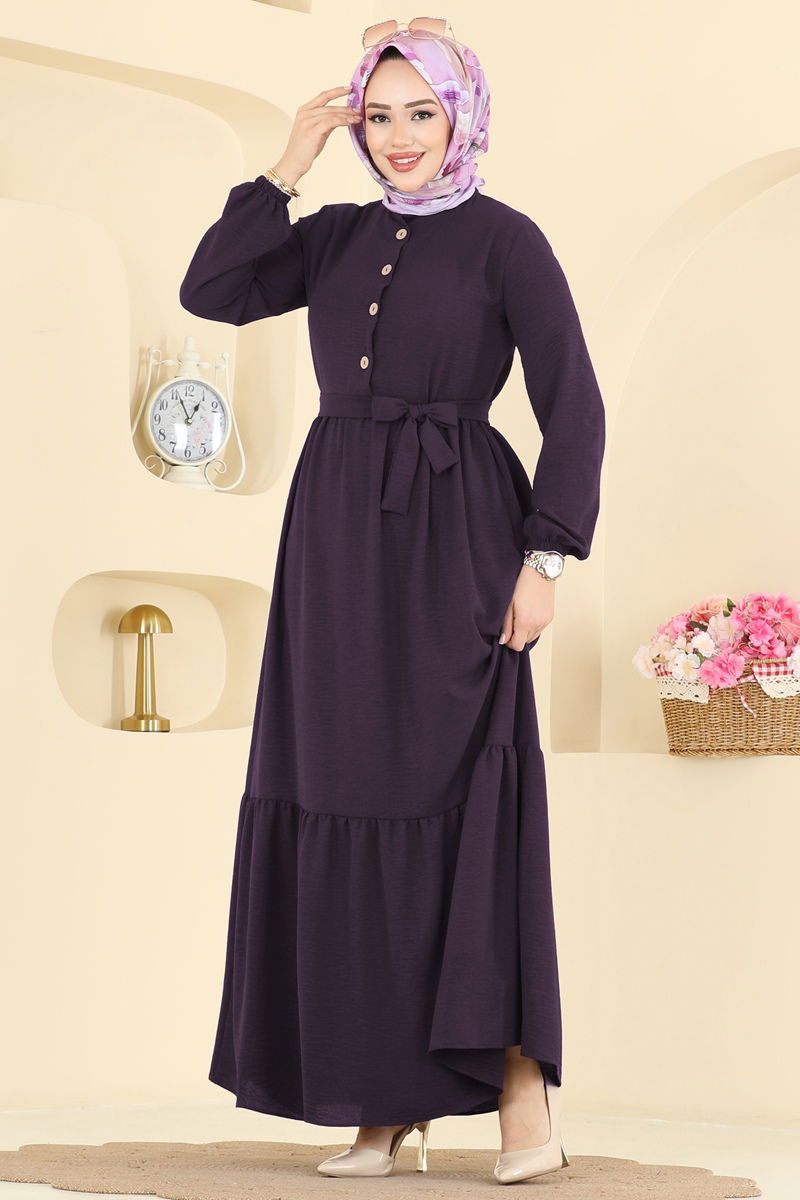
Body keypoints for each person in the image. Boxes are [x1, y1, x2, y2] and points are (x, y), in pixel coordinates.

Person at [179, 19, 605, 1185]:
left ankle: (519, 1093)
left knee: (459, 802)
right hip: (333, 545)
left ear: (462, 115)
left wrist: (545, 558)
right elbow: (212, 290)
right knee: (341, 792)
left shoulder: (507, 241)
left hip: (458, 539)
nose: (399, 137)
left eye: (422, 112)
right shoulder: (332, 235)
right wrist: (288, 161)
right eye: (378, 116)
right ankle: (380, 1101)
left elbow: (573, 403)